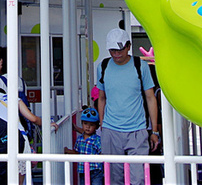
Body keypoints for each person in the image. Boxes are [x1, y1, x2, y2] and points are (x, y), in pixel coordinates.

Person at [96, 27, 159, 185]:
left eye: (120, 50)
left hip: (137, 130)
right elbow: (101, 98)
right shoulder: (103, 66)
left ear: (128, 46)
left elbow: (151, 98)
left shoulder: (140, 65)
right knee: (113, 179)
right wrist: (103, 125)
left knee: (138, 179)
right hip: (111, 130)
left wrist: (155, 131)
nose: (116, 54)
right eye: (112, 50)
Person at [64, 107, 102, 182]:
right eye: (85, 123)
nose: (88, 127)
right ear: (82, 123)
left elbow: (102, 153)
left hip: (95, 170)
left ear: (96, 127)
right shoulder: (79, 139)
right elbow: (77, 152)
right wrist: (69, 151)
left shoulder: (97, 140)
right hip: (83, 170)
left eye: (91, 125)